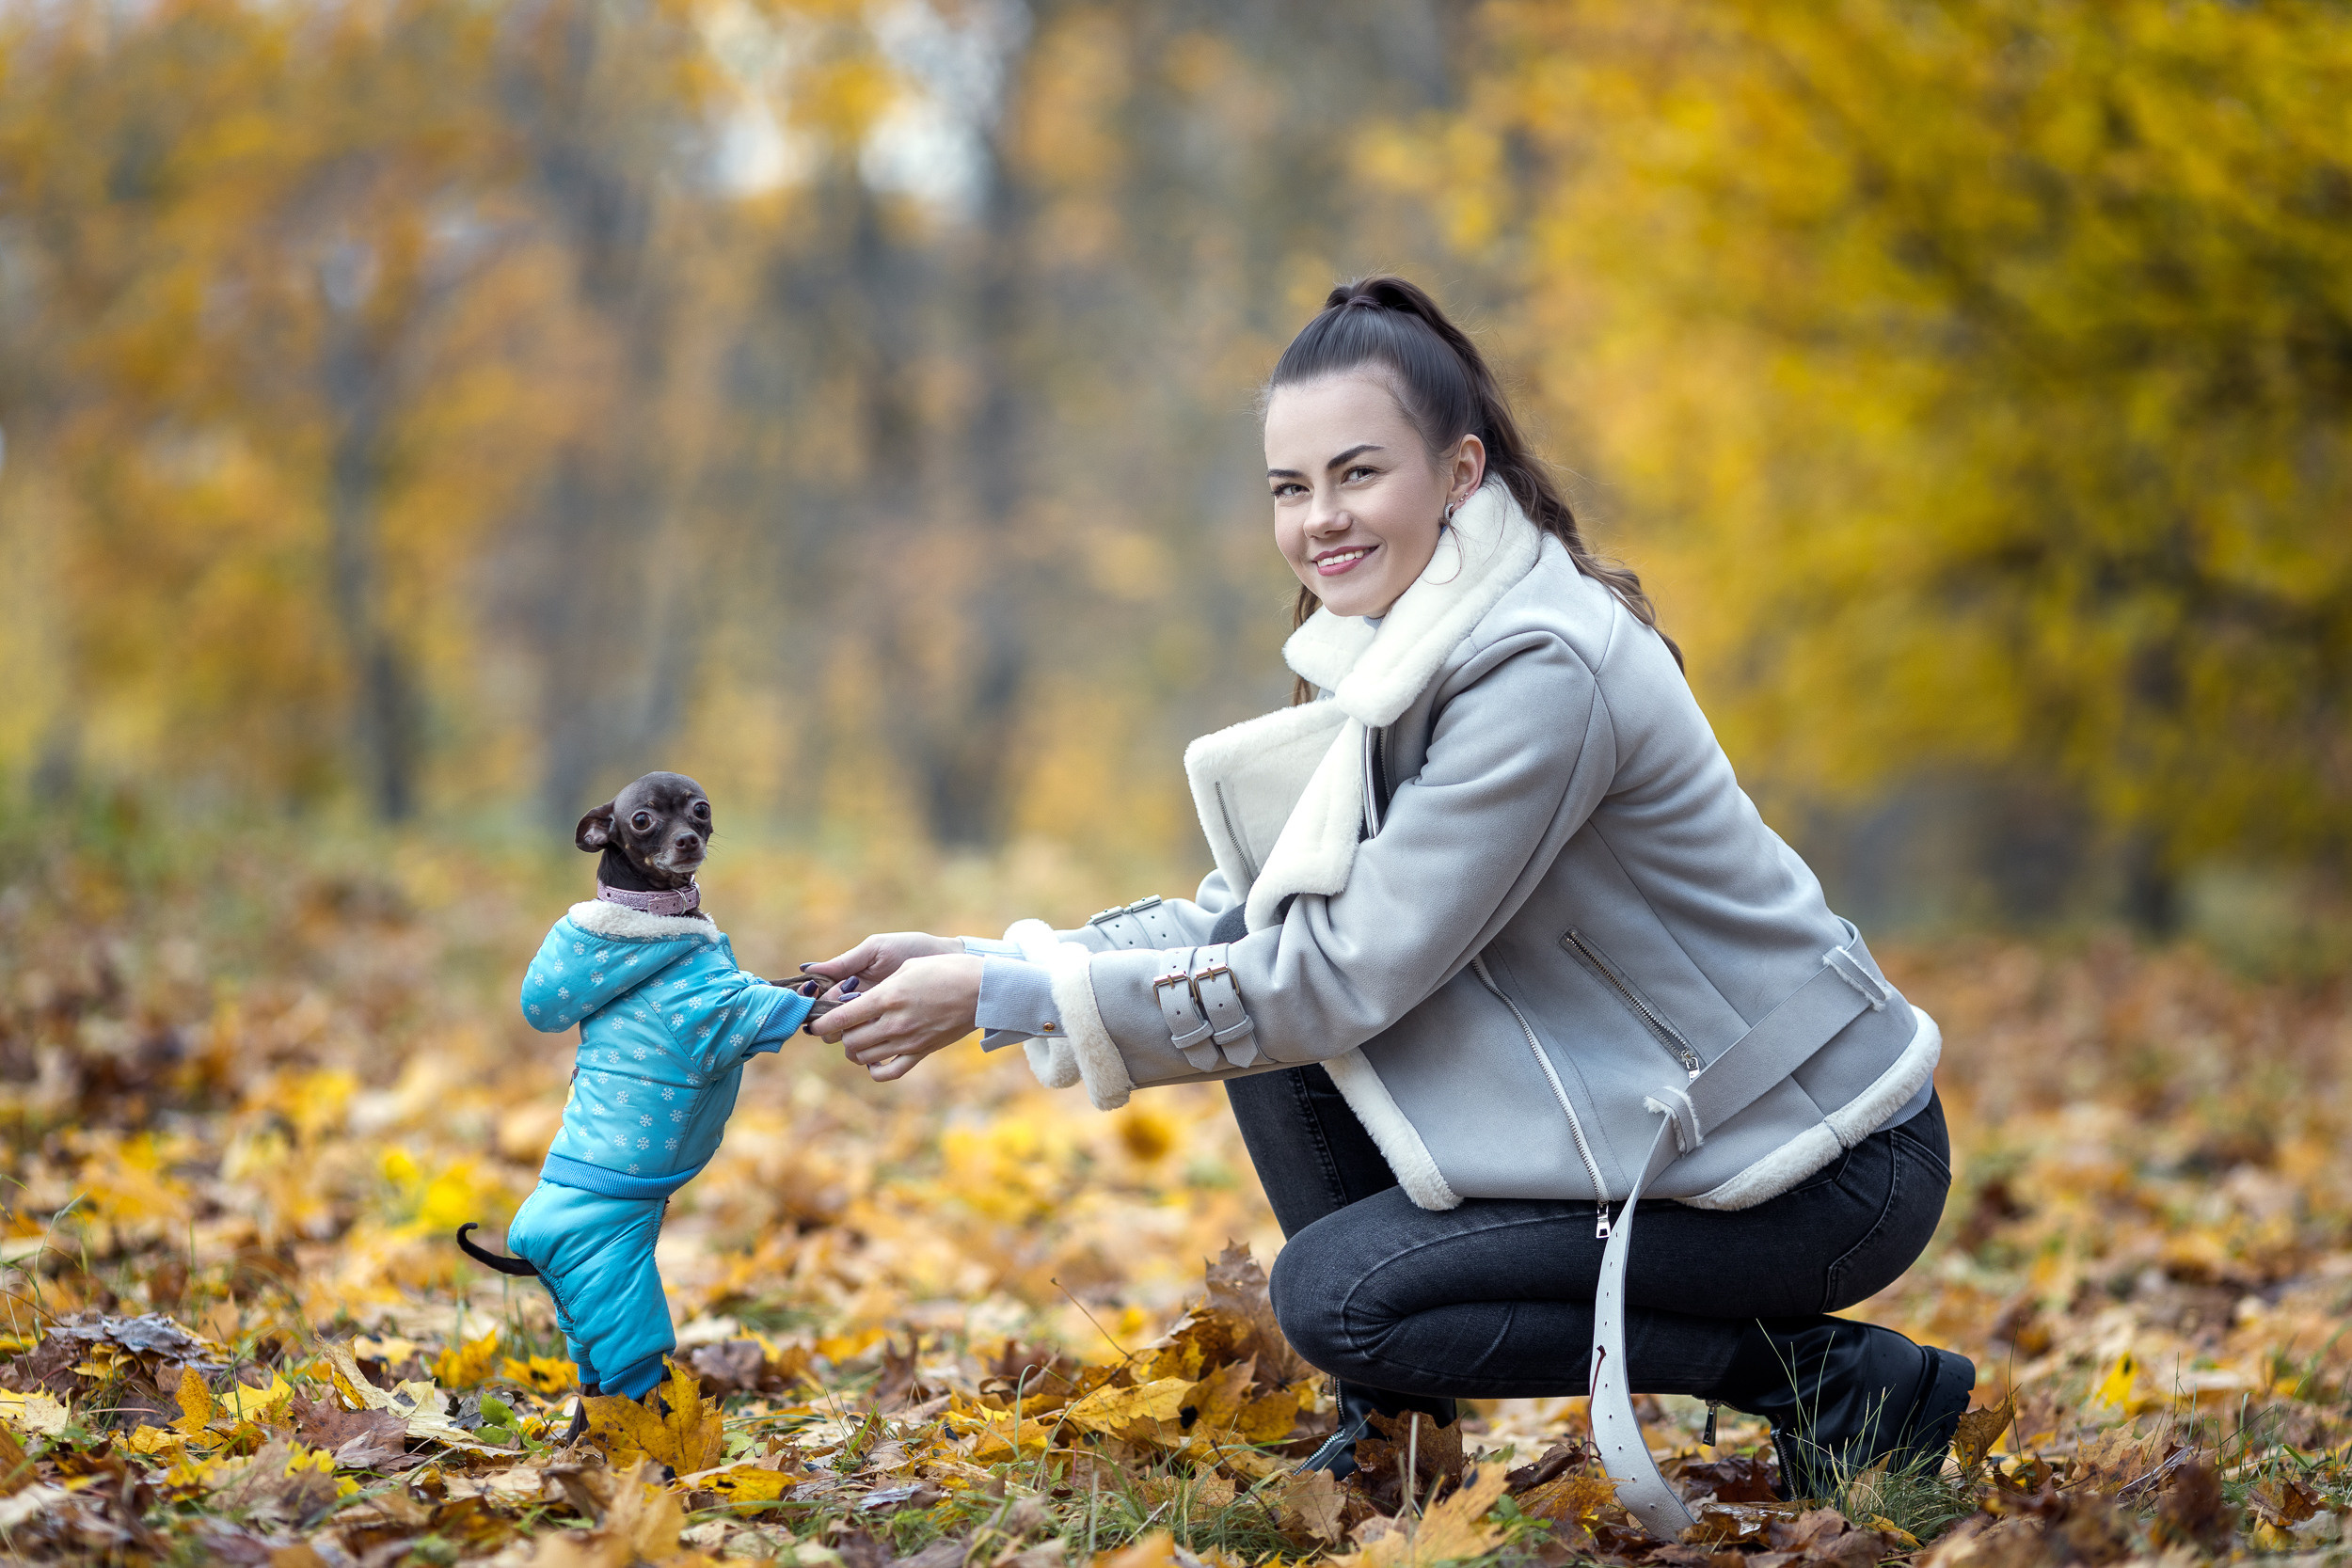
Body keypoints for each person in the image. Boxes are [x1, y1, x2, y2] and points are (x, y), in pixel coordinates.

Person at [804, 276, 1971, 1502]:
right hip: (1683, 1120)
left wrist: (1003, 991)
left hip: (1820, 1158)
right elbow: (1257, 934)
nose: (1319, 519)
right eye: (1289, 487)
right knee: (1265, 1016)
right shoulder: (1407, 649)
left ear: (1460, 473)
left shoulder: (1541, 667)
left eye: (1358, 474)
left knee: (1337, 1296)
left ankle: (1839, 1390)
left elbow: (1334, 976)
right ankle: (1397, 1445)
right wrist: (993, 965)